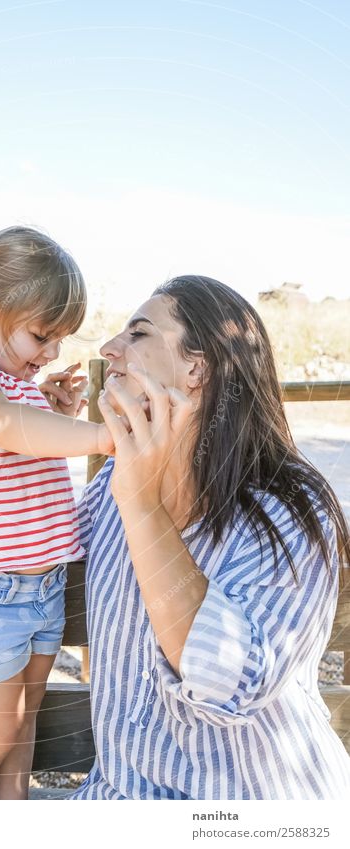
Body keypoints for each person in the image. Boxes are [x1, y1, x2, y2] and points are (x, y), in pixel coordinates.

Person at [69, 275, 350, 800]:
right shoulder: (111, 482)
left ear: (197, 369)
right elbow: (26, 557)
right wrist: (28, 433)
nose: (109, 348)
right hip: (123, 800)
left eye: (139, 333)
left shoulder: (290, 508)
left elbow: (229, 682)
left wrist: (142, 504)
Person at [0, 226, 113, 800]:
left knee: (25, 717)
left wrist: (54, 405)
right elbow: (4, 427)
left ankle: (13, 816)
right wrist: (100, 436)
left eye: (61, 339)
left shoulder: (19, 385)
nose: (53, 353)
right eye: (42, 335)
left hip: (44, 585)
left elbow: (27, 426)